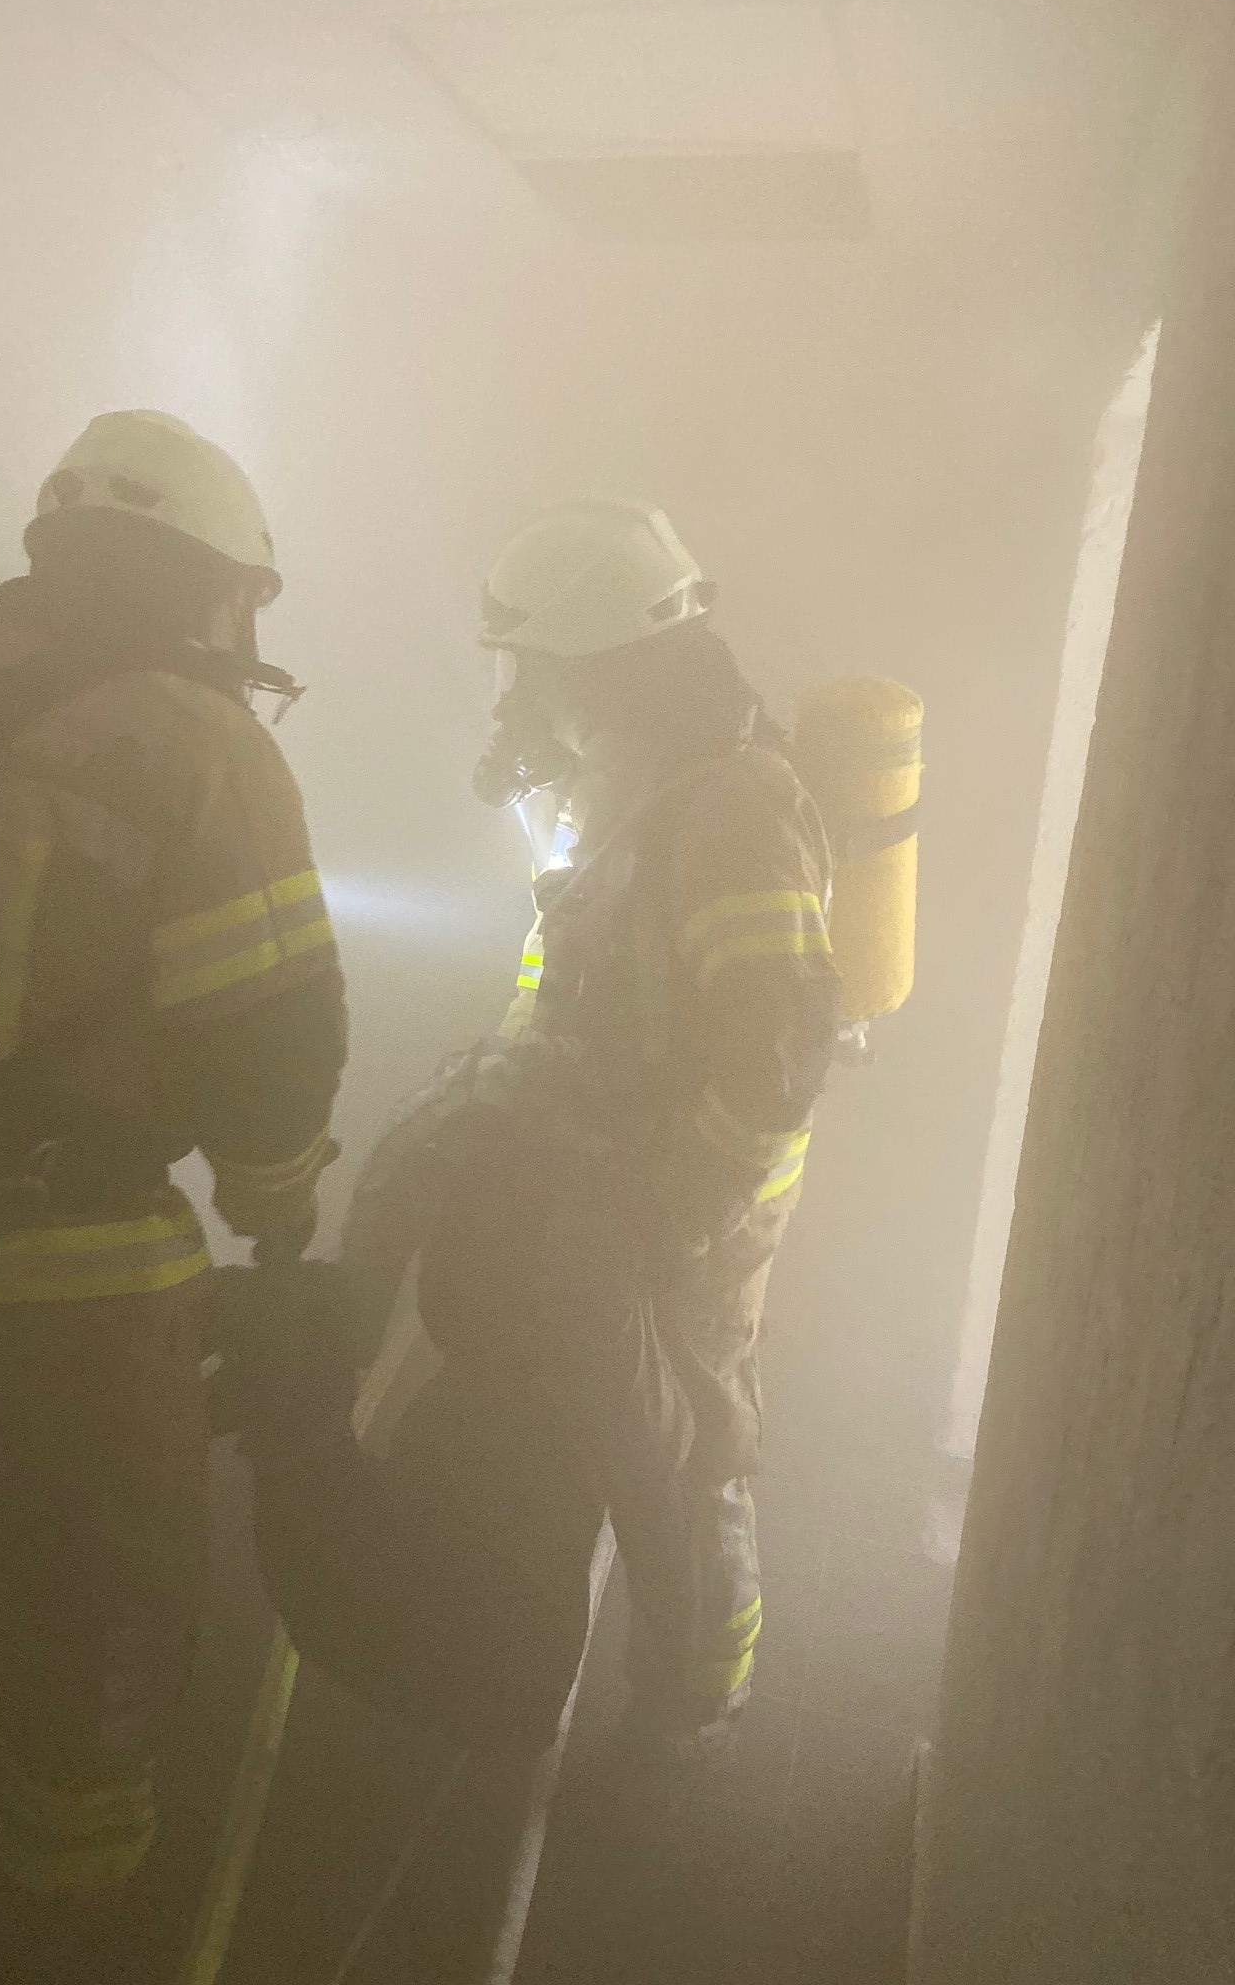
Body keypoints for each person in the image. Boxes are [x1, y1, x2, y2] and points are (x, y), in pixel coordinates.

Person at [0, 410, 347, 1897]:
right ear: (209, 580)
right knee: (116, 1606)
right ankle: (67, 1897)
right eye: (246, 594)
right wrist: (280, 1213)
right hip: (70, 1277)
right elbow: (278, 1030)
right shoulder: (196, 737)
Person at [425, 498, 840, 1745]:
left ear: (601, 670)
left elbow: (775, 1060)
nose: (517, 697)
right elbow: (574, 961)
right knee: (606, 1409)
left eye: (532, 670)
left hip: (698, 1190)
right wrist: (511, 1080)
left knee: (693, 1442)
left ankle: (699, 1679)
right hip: (609, 1158)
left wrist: (677, 1216)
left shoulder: (733, 810)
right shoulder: (626, 781)